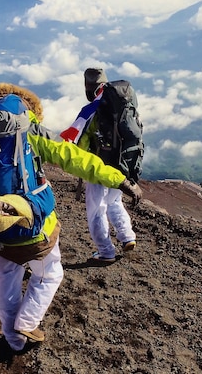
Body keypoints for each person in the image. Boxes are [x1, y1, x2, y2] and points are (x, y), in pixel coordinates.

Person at [0, 83, 141, 353]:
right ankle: (28, 320)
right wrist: (119, 180)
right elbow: (75, 158)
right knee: (50, 274)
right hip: (37, 229)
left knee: (5, 286)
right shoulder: (30, 130)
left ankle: (14, 340)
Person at [61, 68, 139, 263]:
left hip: (100, 167)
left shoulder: (93, 109)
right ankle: (127, 236)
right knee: (114, 201)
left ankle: (105, 252)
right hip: (121, 164)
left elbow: (77, 141)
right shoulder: (121, 101)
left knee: (96, 209)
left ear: (88, 87)